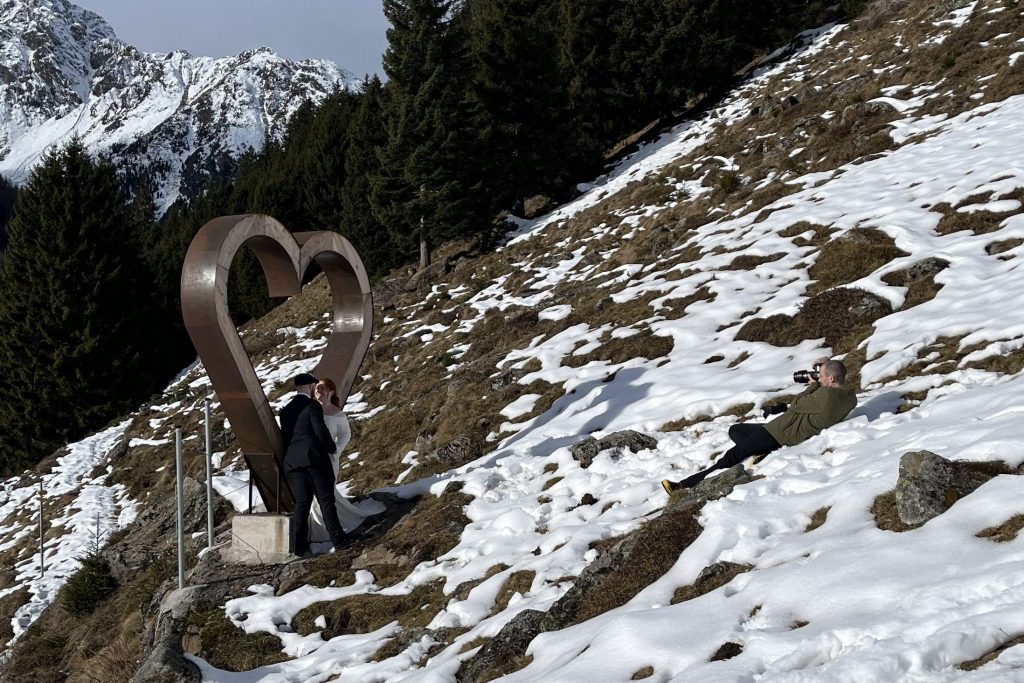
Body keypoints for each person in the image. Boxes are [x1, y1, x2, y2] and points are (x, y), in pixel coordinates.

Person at [661, 358, 857, 494]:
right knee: (735, 430)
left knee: (730, 458)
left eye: (822, 376)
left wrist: (813, 385)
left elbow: (797, 403)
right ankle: (762, 452)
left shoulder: (826, 394)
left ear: (831, 379)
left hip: (779, 433)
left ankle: (682, 486)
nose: (819, 378)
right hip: (782, 428)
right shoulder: (850, 398)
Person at [279, 372, 347, 557]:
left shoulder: (285, 410)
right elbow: (320, 431)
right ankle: (339, 541)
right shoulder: (312, 406)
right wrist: (332, 448)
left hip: (293, 462)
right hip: (314, 460)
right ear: (310, 387)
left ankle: (299, 547)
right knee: (326, 501)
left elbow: (287, 436)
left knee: (301, 504)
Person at [308, 377, 369, 537]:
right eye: (316, 388)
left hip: (329, 459)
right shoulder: (310, 410)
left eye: (322, 388)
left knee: (326, 493)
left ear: (331, 391)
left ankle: (326, 531)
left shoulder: (337, 413)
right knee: (314, 494)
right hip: (310, 459)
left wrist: (336, 451)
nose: (318, 391)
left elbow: (345, 434)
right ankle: (322, 529)